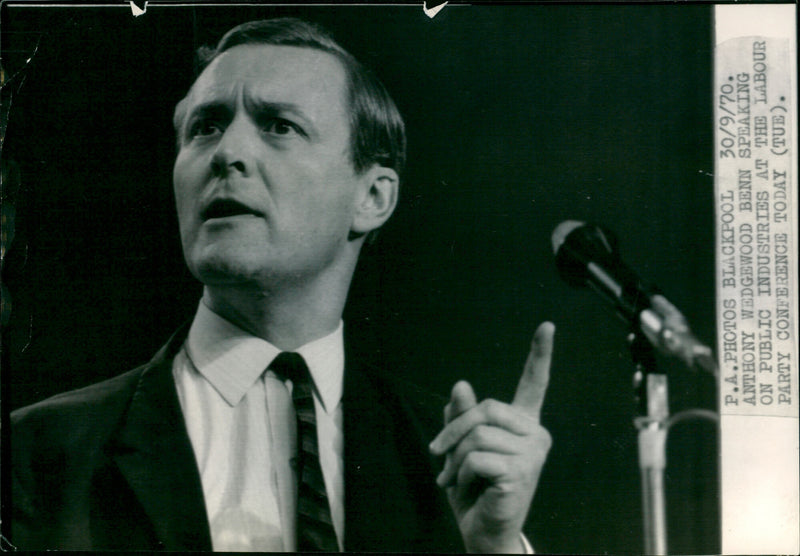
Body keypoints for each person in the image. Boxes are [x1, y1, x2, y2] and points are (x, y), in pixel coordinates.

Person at [10, 18, 554, 552]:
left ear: (373, 197)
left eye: (279, 126)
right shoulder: (35, 453)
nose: (227, 153)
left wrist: (491, 548)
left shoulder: (450, 461)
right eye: (205, 126)